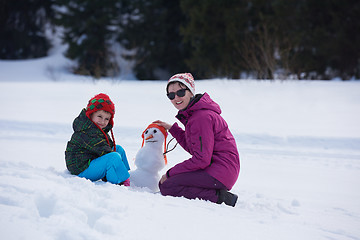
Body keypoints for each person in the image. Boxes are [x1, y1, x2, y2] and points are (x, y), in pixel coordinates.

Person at [154, 73, 240, 207]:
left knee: (168, 185)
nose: (176, 98)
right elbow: (194, 149)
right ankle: (213, 190)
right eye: (171, 95)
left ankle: (220, 197)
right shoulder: (196, 114)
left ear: (190, 92)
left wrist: (170, 172)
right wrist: (173, 129)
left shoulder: (200, 117)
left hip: (221, 171)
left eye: (181, 92)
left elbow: (201, 159)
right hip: (222, 170)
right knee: (169, 182)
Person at [65, 93, 130, 186]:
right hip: (81, 169)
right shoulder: (86, 131)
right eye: (99, 116)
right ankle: (120, 182)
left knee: (118, 149)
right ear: (91, 114)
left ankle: (125, 176)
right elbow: (103, 149)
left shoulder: (98, 129)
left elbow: (108, 147)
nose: (103, 121)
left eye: (106, 119)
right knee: (113, 157)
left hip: (91, 161)